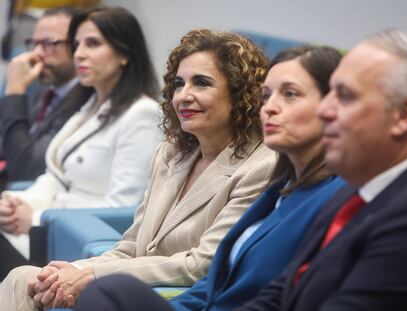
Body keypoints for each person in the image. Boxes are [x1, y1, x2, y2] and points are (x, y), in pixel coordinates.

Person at [0, 28, 277, 310]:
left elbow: (202, 264)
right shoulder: (171, 153)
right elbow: (130, 247)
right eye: (179, 84)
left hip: (177, 297)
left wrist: (91, 275)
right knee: (25, 278)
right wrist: (67, 274)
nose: (184, 95)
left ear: (241, 93)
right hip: (129, 282)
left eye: (202, 83)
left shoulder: (260, 167)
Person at [71, 45, 348, 311]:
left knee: (106, 291)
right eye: (266, 96)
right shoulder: (281, 188)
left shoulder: (331, 194)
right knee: (75, 287)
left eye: (290, 94)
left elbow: (277, 294)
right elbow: (215, 283)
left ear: (332, 106)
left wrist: (95, 273)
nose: (270, 108)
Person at [232, 29, 407, 310]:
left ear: (403, 116)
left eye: (345, 96)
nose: (324, 111)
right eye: (265, 96)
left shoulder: (406, 213)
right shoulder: (350, 196)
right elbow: (280, 294)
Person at [0, 6, 161, 279]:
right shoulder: (91, 105)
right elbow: (56, 176)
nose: (79, 54)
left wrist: (38, 218)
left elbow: (125, 209)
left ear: (124, 53)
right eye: (76, 45)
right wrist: (14, 202)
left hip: (71, 246)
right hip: (42, 230)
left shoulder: (142, 113)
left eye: (93, 44)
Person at [0, 6, 93, 184]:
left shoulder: (87, 100)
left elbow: (25, 168)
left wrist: (14, 90)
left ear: (77, 46)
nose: (38, 54)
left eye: (50, 43)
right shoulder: (46, 93)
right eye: (35, 43)